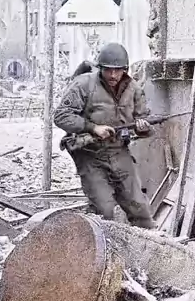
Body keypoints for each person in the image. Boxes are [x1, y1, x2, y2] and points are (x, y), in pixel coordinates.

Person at [54, 43, 155, 228]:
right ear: (100, 68)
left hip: (118, 151)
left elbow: (143, 121)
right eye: (108, 70)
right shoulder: (84, 84)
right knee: (104, 210)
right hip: (89, 153)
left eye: (118, 70)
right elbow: (61, 116)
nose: (113, 75)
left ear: (125, 69)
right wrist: (93, 127)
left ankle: (148, 244)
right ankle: (101, 243)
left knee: (140, 209)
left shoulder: (134, 89)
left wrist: (142, 128)